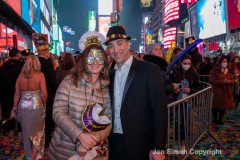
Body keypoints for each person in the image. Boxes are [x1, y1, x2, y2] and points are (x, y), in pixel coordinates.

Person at [47, 31, 111, 160]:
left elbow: (109, 118)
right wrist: (80, 136)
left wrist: (90, 141)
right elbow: (58, 112)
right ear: (84, 60)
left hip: (95, 151)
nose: (95, 62)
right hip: (65, 148)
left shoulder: (107, 86)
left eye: (99, 58)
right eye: (90, 58)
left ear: (104, 62)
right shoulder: (69, 81)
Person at [106, 26, 167, 160]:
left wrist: (158, 147)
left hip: (140, 142)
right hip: (113, 143)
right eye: (111, 46)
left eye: (119, 43)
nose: (116, 50)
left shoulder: (149, 70)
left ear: (128, 44)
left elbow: (160, 110)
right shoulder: (109, 74)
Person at [11, 56, 47, 160]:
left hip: (23, 106)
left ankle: (30, 156)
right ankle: (34, 156)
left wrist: (14, 107)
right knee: (38, 132)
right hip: (36, 105)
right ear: (37, 64)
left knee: (27, 132)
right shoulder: (40, 75)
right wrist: (44, 103)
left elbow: (17, 94)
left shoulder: (20, 76)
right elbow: (44, 94)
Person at [32, 33, 59, 146]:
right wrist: (58, 92)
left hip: (35, 94)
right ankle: (45, 137)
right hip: (49, 95)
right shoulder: (48, 63)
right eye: (49, 51)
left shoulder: (33, 63)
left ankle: (36, 136)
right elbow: (53, 81)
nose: (50, 53)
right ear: (45, 51)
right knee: (50, 117)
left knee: (38, 118)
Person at [171, 54, 200, 150]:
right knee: (176, 122)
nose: (186, 65)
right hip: (177, 101)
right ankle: (176, 142)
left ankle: (183, 142)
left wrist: (190, 90)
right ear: (181, 63)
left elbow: (198, 87)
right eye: (184, 63)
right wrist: (176, 88)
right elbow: (173, 83)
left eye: (189, 63)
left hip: (188, 101)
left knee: (185, 122)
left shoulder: (194, 73)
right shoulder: (175, 72)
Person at [210, 56, 234, 125]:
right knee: (215, 106)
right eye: (223, 61)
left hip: (226, 91)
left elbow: (233, 81)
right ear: (219, 62)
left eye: (226, 61)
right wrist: (222, 82)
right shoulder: (214, 71)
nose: (225, 63)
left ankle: (220, 119)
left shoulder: (229, 71)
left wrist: (229, 81)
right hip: (217, 91)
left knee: (223, 107)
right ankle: (215, 119)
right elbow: (212, 81)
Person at [3, 48, 24, 119]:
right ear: (18, 56)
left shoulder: (5, 65)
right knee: (20, 109)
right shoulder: (21, 65)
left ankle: (10, 123)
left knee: (10, 107)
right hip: (19, 89)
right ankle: (20, 128)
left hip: (8, 89)